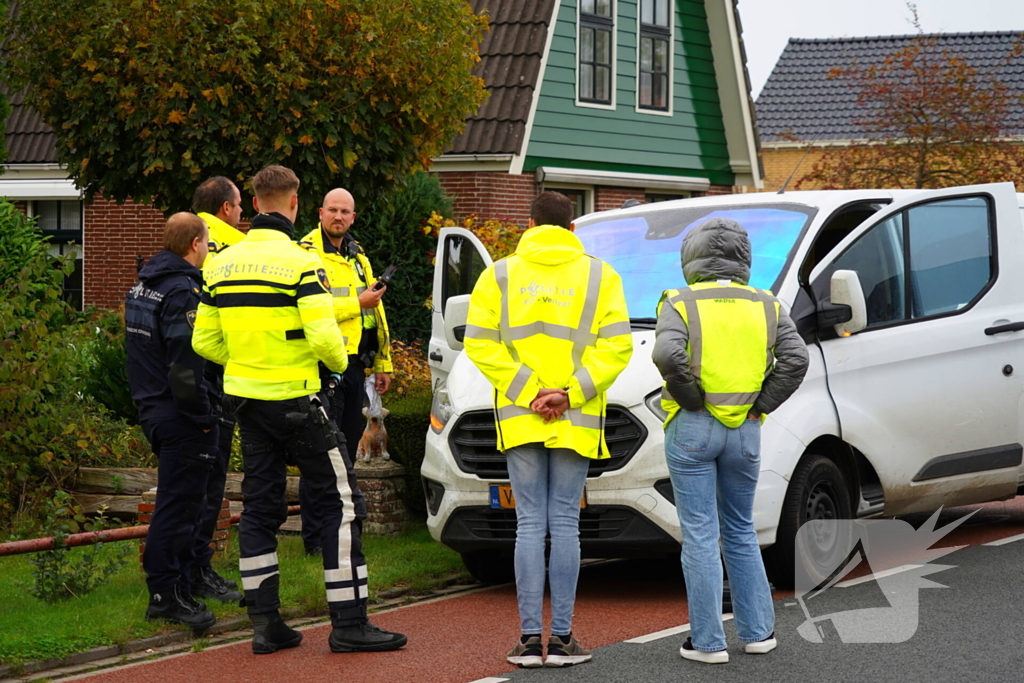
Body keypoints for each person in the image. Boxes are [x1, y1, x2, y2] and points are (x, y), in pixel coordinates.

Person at [192, 165, 406, 655]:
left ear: (255, 202)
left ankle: (266, 624)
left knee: (260, 508)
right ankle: (350, 622)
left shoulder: (221, 264)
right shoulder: (300, 262)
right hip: (301, 401)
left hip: (248, 404)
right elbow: (329, 343)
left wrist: (249, 362)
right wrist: (327, 366)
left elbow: (204, 340)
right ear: (293, 205)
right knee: (341, 504)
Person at [464, 191, 632, 668]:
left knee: (528, 525)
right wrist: (567, 394)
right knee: (566, 525)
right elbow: (617, 348)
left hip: (521, 414)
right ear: (572, 228)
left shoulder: (499, 274)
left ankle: (526, 640)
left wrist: (530, 392)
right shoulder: (601, 275)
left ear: (530, 224)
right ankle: (561, 640)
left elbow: (480, 343)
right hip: (575, 417)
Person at [651, 217, 808, 664]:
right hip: (746, 429)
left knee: (700, 534)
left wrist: (691, 397)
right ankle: (758, 632)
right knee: (740, 528)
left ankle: (707, 643)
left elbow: (666, 353)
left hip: (693, 427)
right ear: (744, 259)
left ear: (691, 256)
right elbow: (796, 360)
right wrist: (761, 404)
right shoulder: (767, 304)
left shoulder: (679, 302)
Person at [125, 213, 219, 631]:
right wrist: (201, 417)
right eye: (208, 242)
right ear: (194, 243)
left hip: (151, 408)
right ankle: (165, 595)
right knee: (179, 508)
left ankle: (180, 586)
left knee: (179, 503)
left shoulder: (143, 285)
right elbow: (185, 367)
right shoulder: (182, 293)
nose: (209, 248)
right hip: (180, 416)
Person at [297, 188, 393, 555]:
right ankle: (315, 542)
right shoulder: (305, 253)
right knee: (321, 451)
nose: (338, 216)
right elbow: (309, 309)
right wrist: (358, 301)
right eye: (332, 210)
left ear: (353, 217)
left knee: (347, 447)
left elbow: (376, 313)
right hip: (323, 364)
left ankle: (341, 533)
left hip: (356, 366)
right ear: (320, 213)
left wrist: (382, 363)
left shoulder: (357, 255)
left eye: (345, 212)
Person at [188, 176, 248, 604]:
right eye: (240, 206)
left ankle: (189, 568)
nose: (243, 214)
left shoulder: (182, 243)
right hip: (221, 372)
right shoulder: (239, 250)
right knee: (212, 475)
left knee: (190, 478)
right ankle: (199, 570)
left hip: (181, 376)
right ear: (226, 209)